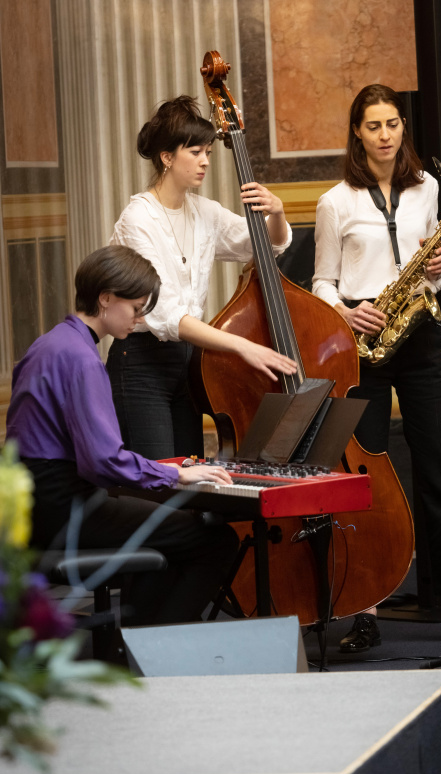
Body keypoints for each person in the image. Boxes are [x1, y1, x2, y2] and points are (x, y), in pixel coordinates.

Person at [312, 84, 441, 651]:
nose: (385, 135)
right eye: (373, 125)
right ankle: (365, 608)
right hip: (364, 342)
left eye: (392, 124)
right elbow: (321, 282)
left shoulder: (427, 189)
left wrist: (438, 271)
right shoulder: (335, 201)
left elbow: (434, 276)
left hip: (419, 338)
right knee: (365, 476)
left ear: (403, 127)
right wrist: (347, 313)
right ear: (357, 131)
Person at [6, 245, 239, 626]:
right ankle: (151, 643)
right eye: (136, 308)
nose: (140, 318)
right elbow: (103, 461)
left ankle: (135, 636)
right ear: (106, 298)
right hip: (64, 509)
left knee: (162, 531)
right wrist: (176, 473)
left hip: (31, 507)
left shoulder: (45, 345)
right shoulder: (83, 360)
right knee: (216, 541)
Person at [106, 95, 297, 460]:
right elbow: (166, 314)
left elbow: (265, 245)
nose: (205, 160)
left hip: (189, 362)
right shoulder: (138, 219)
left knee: (190, 475)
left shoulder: (204, 211)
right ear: (166, 157)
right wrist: (242, 346)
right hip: (142, 363)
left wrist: (276, 212)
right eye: (195, 152)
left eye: (208, 152)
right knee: (159, 477)